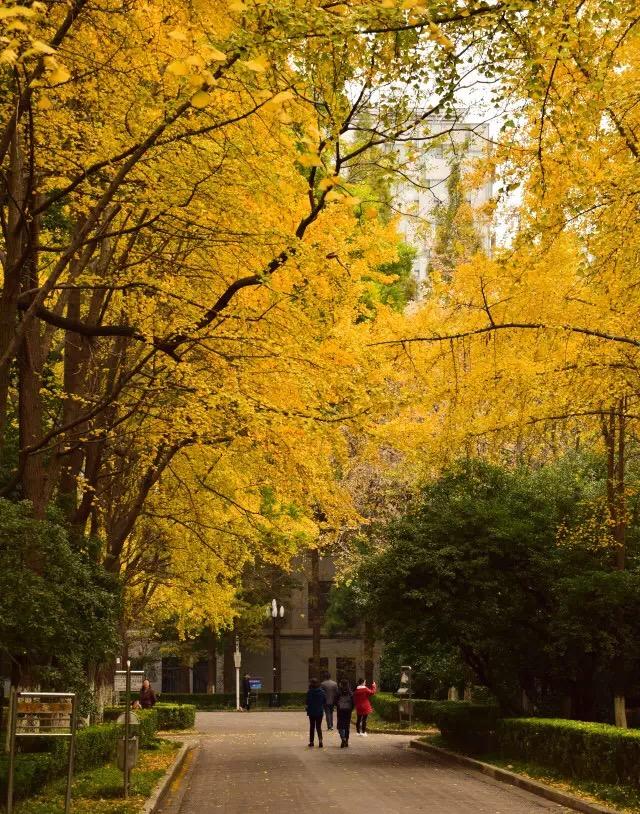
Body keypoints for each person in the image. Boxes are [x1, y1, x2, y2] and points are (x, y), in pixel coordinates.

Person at [305, 677, 326, 747]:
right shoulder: (322, 692)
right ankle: (320, 741)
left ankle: (311, 742)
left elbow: (307, 702)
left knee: (312, 727)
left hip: (311, 711)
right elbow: (324, 701)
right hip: (319, 711)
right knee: (318, 727)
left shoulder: (309, 692)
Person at [335, 678, 354, 748]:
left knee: (340, 725)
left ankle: (343, 738)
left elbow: (335, 701)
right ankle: (347, 740)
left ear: (341, 684)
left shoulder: (338, 692)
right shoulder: (350, 692)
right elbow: (353, 702)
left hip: (340, 711)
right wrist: (351, 709)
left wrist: (338, 706)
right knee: (347, 726)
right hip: (348, 711)